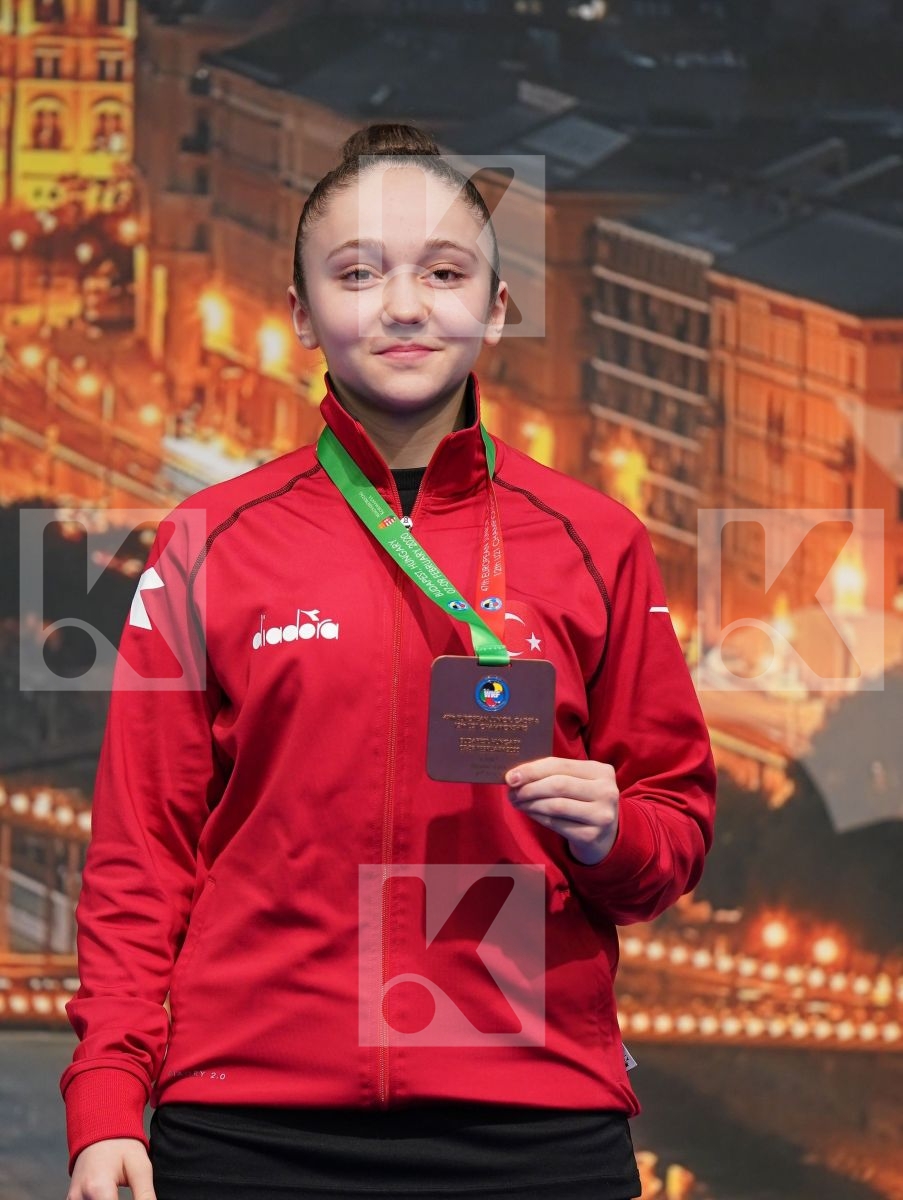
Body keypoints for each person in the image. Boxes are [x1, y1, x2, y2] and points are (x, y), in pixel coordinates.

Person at [60, 122, 717, 1200]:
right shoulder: (209, 542)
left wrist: (616, 832)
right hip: (247, 1129)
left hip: (533, 1124)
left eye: (445, 273)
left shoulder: (599, 541)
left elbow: (674, 833)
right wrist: (104, 1106)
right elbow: (141, 861)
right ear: (302, 315)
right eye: (357, 274)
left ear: (497, 308)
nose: (403, 306)